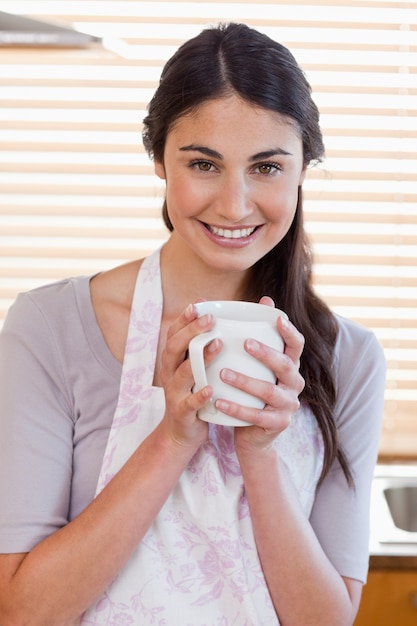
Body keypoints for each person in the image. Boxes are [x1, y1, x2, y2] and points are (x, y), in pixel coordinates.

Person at [0, 22, 385, 626]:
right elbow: (23, 612)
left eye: (266, 167)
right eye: (204, 164)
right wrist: (173, 439)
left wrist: (259, 452)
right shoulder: (49, 329)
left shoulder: (349, 358)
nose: (234, 204)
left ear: (304, 167)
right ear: (158, 160)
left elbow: (325, 621)